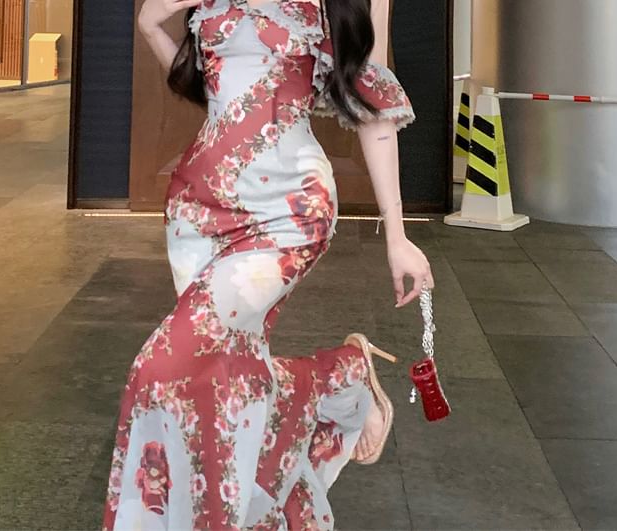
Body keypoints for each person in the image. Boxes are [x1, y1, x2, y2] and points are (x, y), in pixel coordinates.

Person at [102, 0, 434, 527]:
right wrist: (148, 23)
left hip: (289, 210)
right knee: (220, 370)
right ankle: (336, 384)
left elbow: (372, 112)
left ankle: (332, 380)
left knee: (160, 366)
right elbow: (212, 89)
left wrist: (397, 235)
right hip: (197, 211)